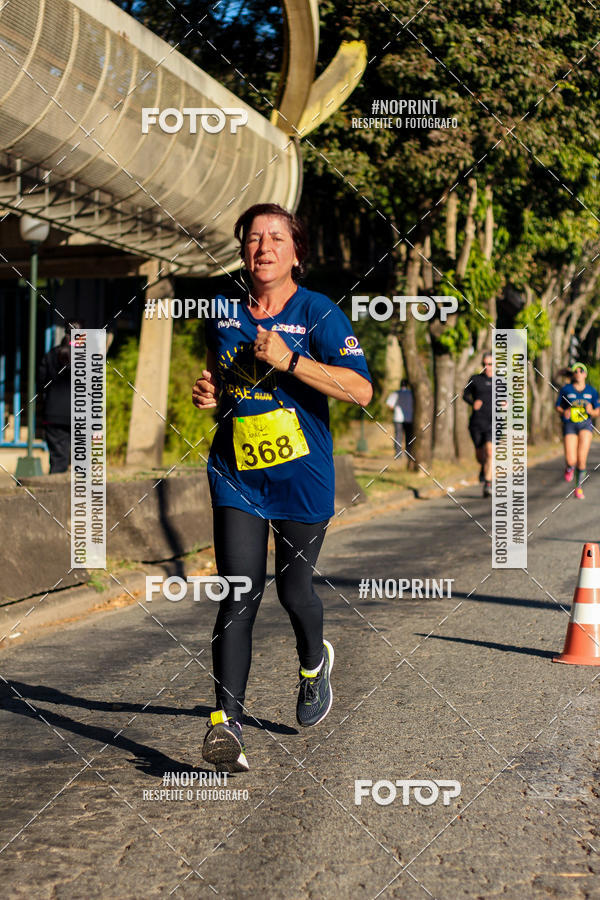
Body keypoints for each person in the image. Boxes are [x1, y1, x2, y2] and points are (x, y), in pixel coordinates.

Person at [192, 203, 372, 772]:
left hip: (302, 479)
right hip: (237, 476)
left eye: (276, 237)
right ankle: (227, 726)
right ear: (242, 251)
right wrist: (210, 392)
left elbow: (361, 390)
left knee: (295, 593)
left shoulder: (318, 312)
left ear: (296, 252)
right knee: (238, 593)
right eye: (253, 238)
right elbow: (220, 375)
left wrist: (291, 359)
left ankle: (314, 665)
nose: (263, 247)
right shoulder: (222, 311)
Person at [38, 322, 82, 474]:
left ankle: (55, 486)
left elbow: (41, 382)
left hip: (53, 412)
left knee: (57, 460)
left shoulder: (51, 354)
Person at [555, 362, 599, 499]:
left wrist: (592, 411)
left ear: (585, 374)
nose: (579, 373)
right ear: (573, 374)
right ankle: (569, 468)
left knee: (581, 459)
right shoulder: (566, 389)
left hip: (585, 425)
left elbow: (597, 410)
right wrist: (564, 412)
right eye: (576, 371)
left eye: (581, 371)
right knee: (571, 459)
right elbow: (558, 406)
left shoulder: (591, 391)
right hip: (570, 425)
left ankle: (578, 488)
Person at [463, 351, 494, 497]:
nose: (487, 367)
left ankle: (488, 484)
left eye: (490, 364)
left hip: (493, 422)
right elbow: (465, 395)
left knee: (490, 451)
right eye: (485, 364)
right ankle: (483, 467)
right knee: (480, 455)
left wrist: (506, 403)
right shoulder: (475, 379)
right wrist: (472, 402)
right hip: (477, 422)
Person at [386, 379, 414, 458]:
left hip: (398, 418)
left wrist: (394, 410)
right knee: (409, 437)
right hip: (409, 418)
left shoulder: (395, 393)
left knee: (398, 436)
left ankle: (398, 453)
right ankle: (408, 453)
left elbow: (390, 405)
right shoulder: (411, 394)